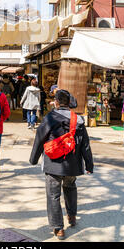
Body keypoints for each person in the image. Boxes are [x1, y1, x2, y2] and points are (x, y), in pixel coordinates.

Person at [30, 89, 94, 240]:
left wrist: (33, 159)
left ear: (57, 102)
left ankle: (58, 228)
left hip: (53, 164)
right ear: (69, 102)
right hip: (72, 164)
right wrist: (89, 164)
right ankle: (71, 216)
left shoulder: (50, 117)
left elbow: (40, 138)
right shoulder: (77, 120)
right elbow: (85, 145)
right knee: (70, 188)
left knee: (53, 195)